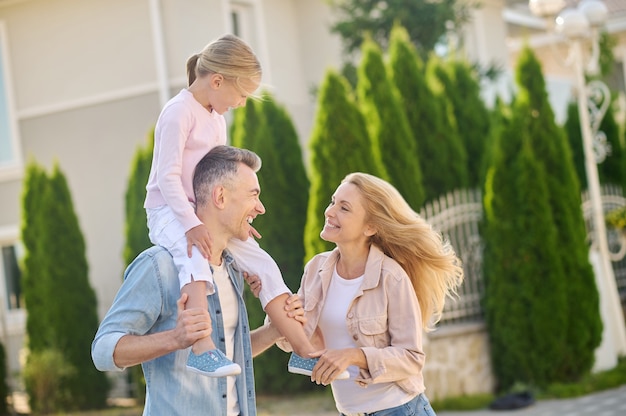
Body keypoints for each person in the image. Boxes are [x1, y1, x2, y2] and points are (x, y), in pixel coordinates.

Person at [143, 33, 327, 378]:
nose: (242, 103)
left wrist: (235, 218)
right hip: (169, 211)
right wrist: (191, 224)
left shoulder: (216, 119)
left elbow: (219, 180)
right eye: (241, 94)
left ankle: (304, 350)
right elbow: (167, 179)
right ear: (216, 80)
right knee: (193, 254)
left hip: (203, 212)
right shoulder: (178, 113)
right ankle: (202, 348)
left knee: (264, 264)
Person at [92, 146, 305, 415]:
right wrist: (175, 338)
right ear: (220, 196)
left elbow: (227, 351)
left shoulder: (232, 269)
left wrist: (275, 330)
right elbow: (102, 351)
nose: (260, 208)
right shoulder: (159, 266)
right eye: (253, 196)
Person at [275, 172, 464, 416]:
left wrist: (354, 356)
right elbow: (289, 340)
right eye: (333, 202)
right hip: (349, 411)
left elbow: (412, 358)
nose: (330, 211)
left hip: (399, 409)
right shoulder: (316, 269)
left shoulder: (391, 278)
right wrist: (278, 302)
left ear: (370, 226)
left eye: (344, 208)